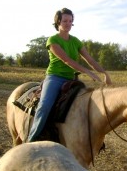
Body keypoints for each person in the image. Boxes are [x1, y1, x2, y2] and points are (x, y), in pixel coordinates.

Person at [28, 8, 112, 142]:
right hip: (55, 77)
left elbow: (90, 60)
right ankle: (31, 139)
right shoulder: (53, 40)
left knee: (88, 103)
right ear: (58, 22)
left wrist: (104, 73)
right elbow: (66, 60)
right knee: (45, 105)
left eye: (70, 21)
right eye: (65, 20)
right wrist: (88, 72)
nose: (68, 23)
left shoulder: (76, 41)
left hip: (72, 79)